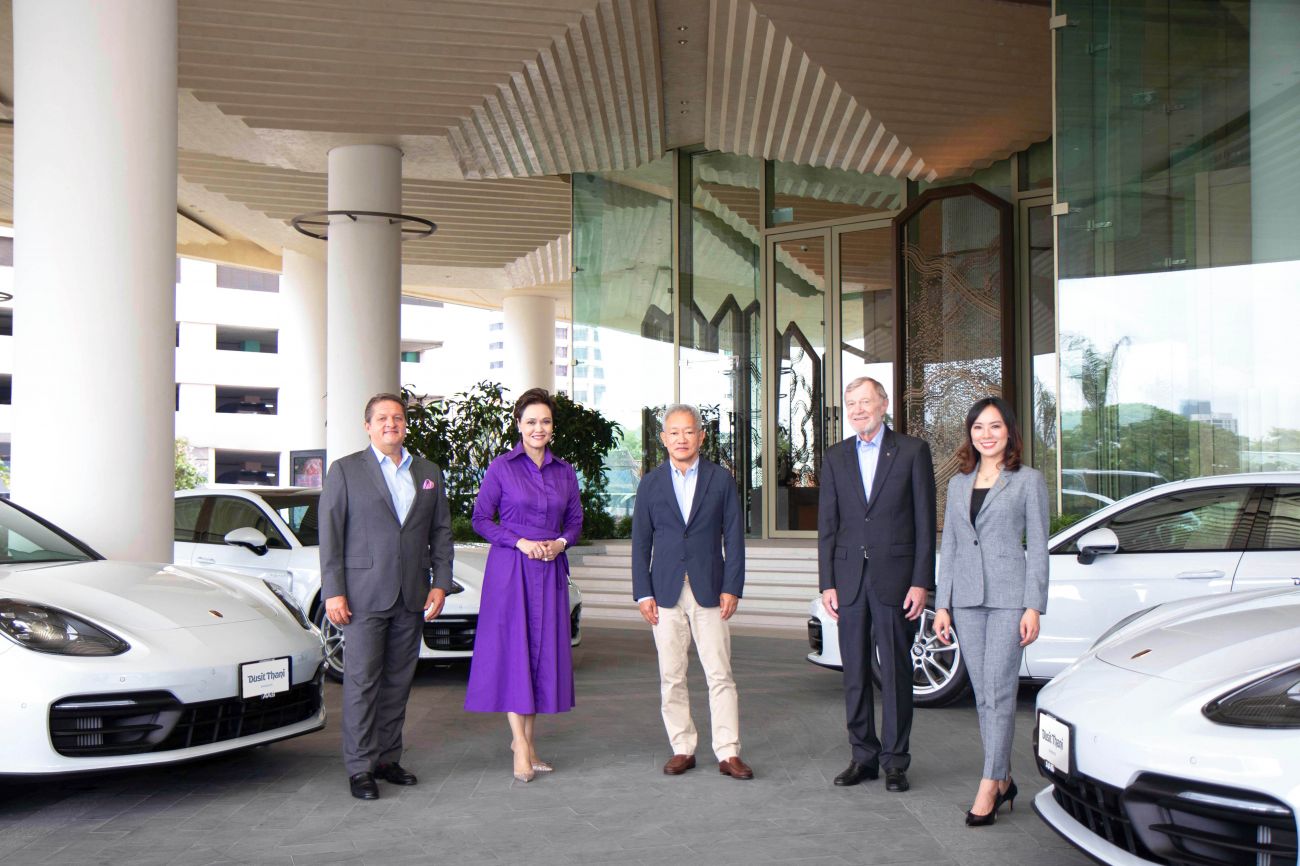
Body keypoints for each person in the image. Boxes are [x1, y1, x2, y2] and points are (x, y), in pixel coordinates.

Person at [320, 393, 454, 801]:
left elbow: (440, 532)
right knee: (362, 683)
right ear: (368, 425)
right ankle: (360, 767)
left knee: (398, 682)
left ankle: (386, 758)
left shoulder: (428, 472)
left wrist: (441, 581)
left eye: (397, 417)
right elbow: (330, 535)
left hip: (411, 594)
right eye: (382, 418)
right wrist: (334, 591)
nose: (390, 424)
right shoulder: (345, 471)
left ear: (405, 424)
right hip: (362, 597)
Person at [934, 396, 1048, 826]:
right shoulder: (959, 483)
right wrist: (941, 604)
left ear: (1009, 432)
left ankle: (989, 782)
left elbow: (1038, 546)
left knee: (1000, 692)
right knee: (983, 695)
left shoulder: (1027, 481)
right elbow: (951, 545)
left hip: (1007, 598)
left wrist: (1033, 605)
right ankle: (1003, 779)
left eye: (995, 426)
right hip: (965, 600)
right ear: (971, 433)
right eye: (979, 427)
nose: (986, 434)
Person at [818, 376, 936, 793]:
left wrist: (921, 581)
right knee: (854, 672)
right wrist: (827, 582)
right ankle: (863, 756)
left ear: (883, 404)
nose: (857, 409)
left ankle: (895, 761)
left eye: (865, 401)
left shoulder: (911, 451)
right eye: (850, 403)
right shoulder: (835, 457)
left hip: (895, 579)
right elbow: (828, 526)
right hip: (848, 580)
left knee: (897, 671)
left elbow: (925, 521)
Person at [465, 388, 582, 783]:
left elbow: (575, 522)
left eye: (545, 421)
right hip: (511, 570)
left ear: (552, 427)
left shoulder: (564, 472)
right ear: (518, 425)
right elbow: (481, 519)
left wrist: (560, 543)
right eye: (530, 421)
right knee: (516, 655)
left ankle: (527, 746)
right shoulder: (501, 468)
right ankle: (519, 745)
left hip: (549, 571)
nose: (538, 428)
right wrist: (520, 541)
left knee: (540, 657)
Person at [631, 404, 751, 780]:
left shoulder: (720, 480)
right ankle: (682, 747)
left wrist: (732, 586)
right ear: (664, 438)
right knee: (672, 675)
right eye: (674, 432)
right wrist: (642, 593)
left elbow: (733, 537)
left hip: (710, 589)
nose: (681, 438)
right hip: (664, 591)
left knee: (720, 673)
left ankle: (728, 752)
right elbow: (640, 543)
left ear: (701, 436)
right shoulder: (650, 484)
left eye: (689, 431)